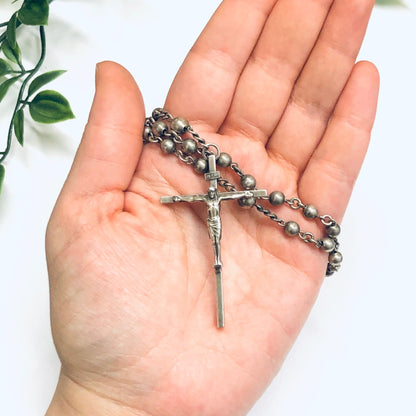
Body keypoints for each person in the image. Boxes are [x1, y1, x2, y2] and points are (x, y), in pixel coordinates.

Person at [45, 0, 379, 415]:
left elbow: (225, 196)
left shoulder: (224, 195)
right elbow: (199, 196)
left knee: (218, 250)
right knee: (215, 250)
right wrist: (109, 396)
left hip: (224, 211)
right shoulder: (209, 194)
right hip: (214, 214)